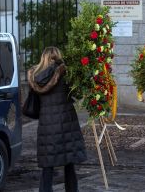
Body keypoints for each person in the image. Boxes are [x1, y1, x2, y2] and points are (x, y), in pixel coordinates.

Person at [27, 47, 87, 192]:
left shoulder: (35, 76)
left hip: (47, 126)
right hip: (67, 123)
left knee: (48, 165)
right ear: (58, 57)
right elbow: (78, 94)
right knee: (69, 162)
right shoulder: (65, 73)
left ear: (43, 58)